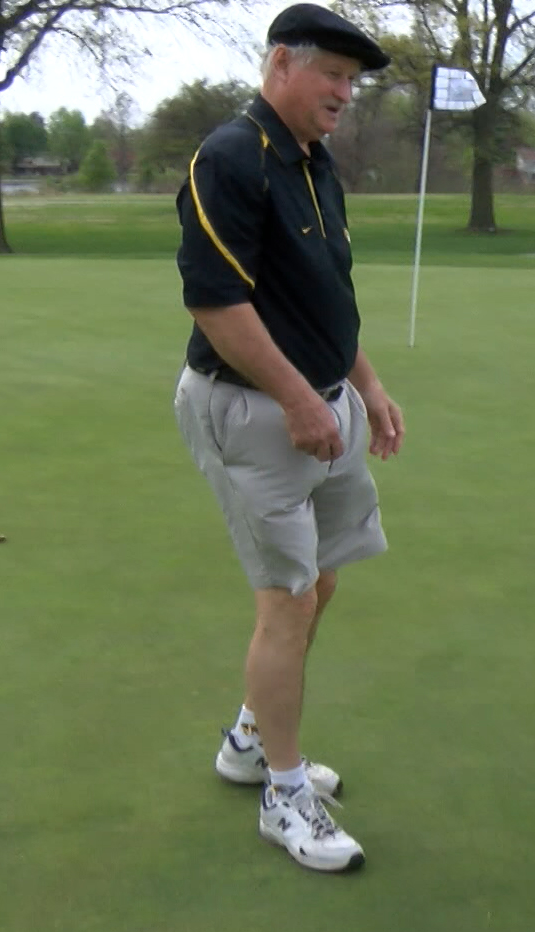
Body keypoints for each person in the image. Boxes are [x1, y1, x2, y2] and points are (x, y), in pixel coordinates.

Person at [172, 4, 400, 873]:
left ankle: (249, 739)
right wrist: (303, 402)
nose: (346, 93)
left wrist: (367, 388)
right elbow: (217, 306)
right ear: (281, 66)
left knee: (325, 579)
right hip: (253, 410)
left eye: (353, 80)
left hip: (322, 401)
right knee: (289, 598)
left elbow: (324, 298)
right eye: (333, 76)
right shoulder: (231, 158)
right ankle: (283, 790)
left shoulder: (315, 163)